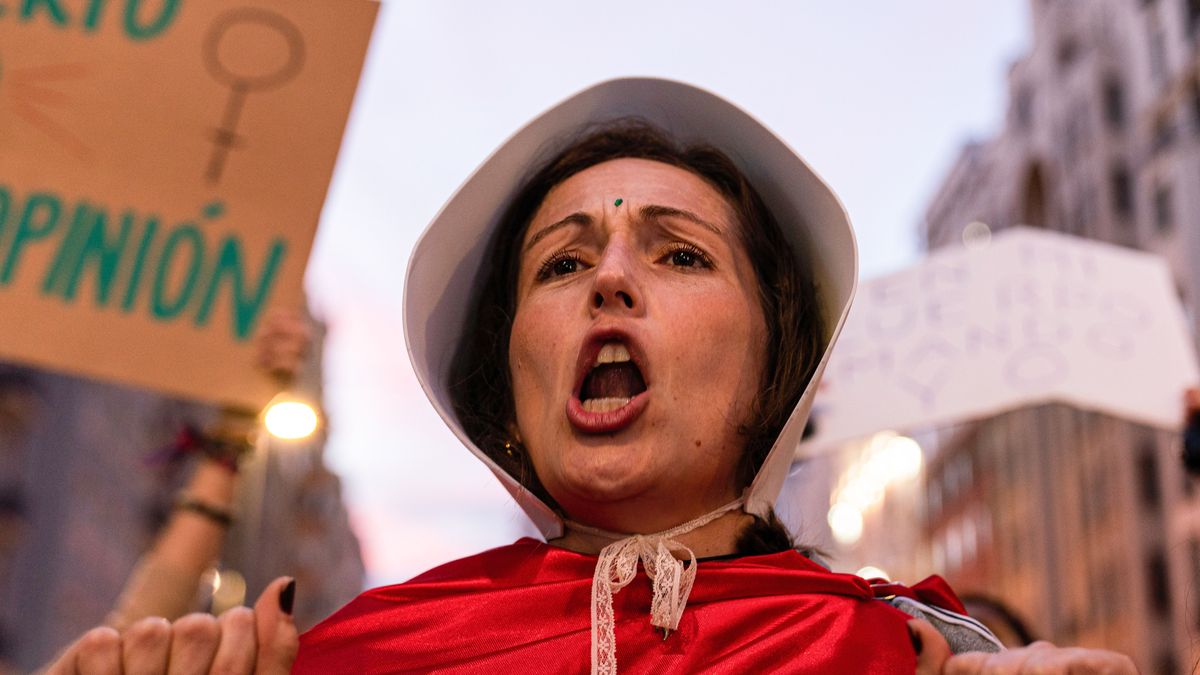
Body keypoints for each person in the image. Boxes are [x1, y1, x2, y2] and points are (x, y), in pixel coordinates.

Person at [44, 78, 1138, 674]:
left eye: (678, 253)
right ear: (505, 379)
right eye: (561, 264)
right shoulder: (351, 662)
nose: (610, 277)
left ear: (776, 369)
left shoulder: (907, 655)